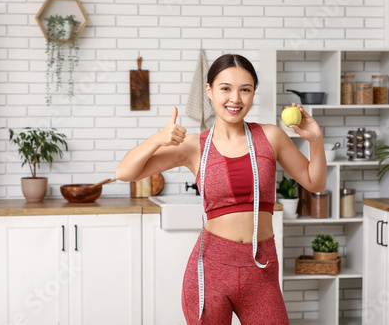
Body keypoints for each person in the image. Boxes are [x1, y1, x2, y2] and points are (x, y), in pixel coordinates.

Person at [116, 54, 326, 324]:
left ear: (253, 93)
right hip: (211, 267)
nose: (235, 99)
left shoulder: (271, 136)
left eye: (245, 90)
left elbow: (315, 182)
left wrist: (316, 140)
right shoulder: (195, 146)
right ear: (209, 91)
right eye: (225, 88)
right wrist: (159, 138)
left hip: (261, 267)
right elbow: (125, 172)